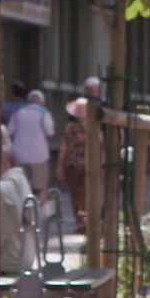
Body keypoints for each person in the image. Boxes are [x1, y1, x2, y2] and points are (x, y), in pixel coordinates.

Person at [56, 78, 102, 232]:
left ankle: (82, 221)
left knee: (79, 195)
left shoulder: (73, 127)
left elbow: (65, 146)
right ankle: (86, 221)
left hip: (77, 165)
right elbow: (99, 145)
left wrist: (61, 164)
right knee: (85, 195)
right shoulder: (93, 127)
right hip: (85, 165)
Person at [7, 89, 55, 193]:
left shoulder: (18, 113)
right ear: (42, 102)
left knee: (21, 188)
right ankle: (40, 207)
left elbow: (9, 132)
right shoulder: (44, 113)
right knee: (41, 188)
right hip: (39, 157)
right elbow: (50, 133)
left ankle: (24, 208)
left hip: (20, 156)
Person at [0, 140, 36, 274]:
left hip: (11, 260)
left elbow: (1, 233)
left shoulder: (3, 189)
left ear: (5, 164)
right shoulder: (21, 179)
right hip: (28, 255)